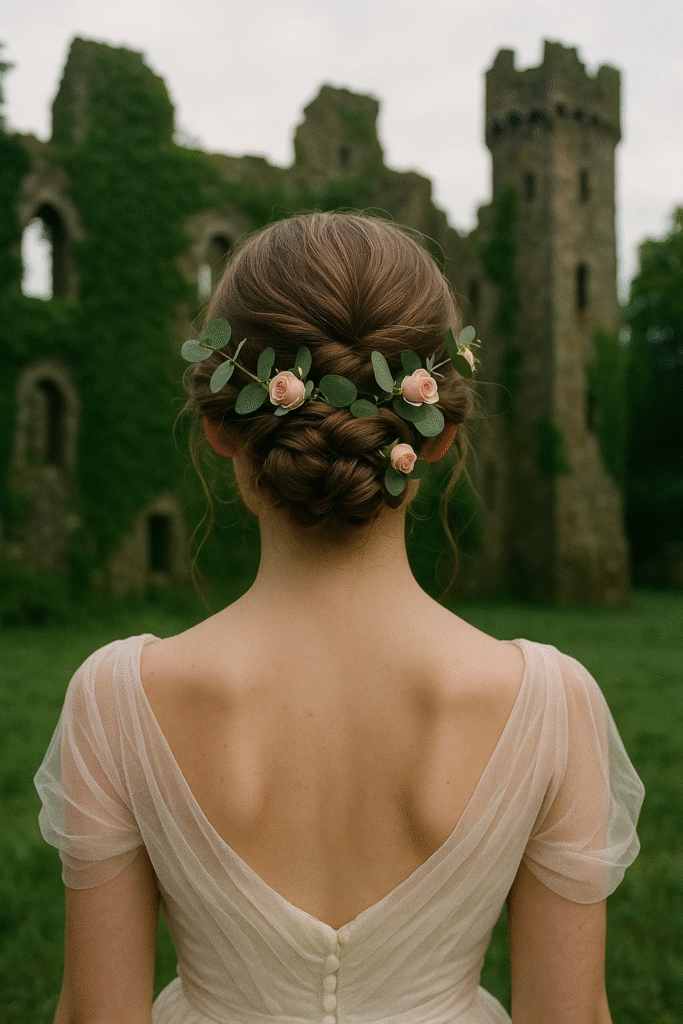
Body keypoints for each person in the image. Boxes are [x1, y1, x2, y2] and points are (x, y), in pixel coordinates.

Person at [35, 212, 644, 1024]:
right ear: (435, 433)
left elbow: (95, 1015)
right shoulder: (551, 705)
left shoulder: (115, 699)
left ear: (219, 426)